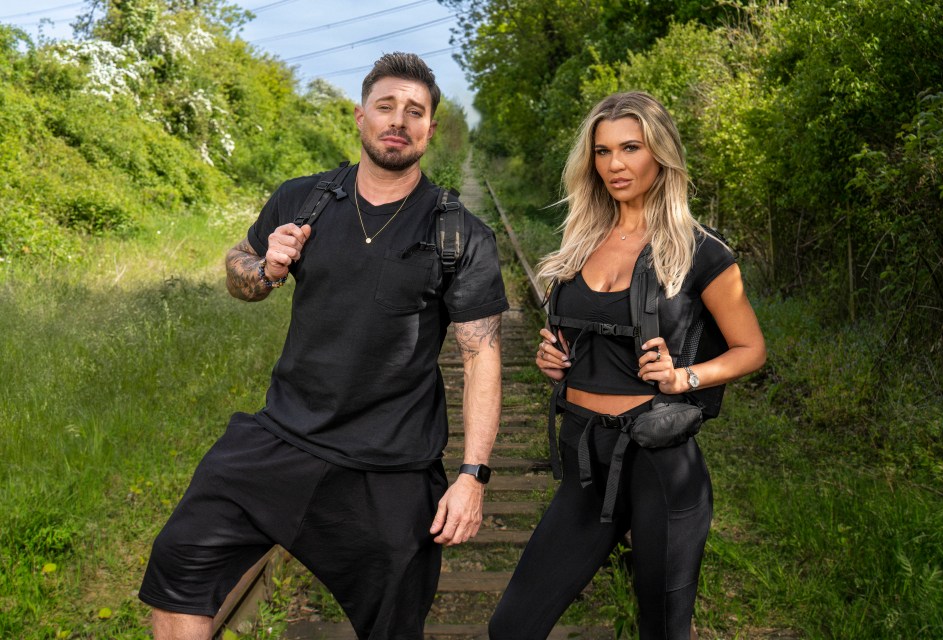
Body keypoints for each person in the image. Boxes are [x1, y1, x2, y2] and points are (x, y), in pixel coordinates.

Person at [138, 52, 509, 640]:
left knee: (393, 624)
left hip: (388, 465)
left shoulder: (459, 232)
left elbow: (480, 355)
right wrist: (266, 267)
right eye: (386, 106)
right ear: (361, 117)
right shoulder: (303, 198)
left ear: (430, 130)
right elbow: (239, 272)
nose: (399, 120)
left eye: (415, 111)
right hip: (282, 436)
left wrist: (472, 477)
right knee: (181, 562)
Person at [488, 92, 766, 639]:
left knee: (662, 630)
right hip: (586, 456)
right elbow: (577, 340)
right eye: (603, 151)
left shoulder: (699, 250)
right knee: (512, 626)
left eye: (631, 148)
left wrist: (685, 376)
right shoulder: (580, 240)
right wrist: (555, 360)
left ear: (660, 154)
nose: (615, 164)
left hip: (660, 461)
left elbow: (750, 349)